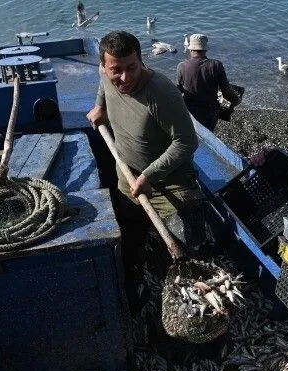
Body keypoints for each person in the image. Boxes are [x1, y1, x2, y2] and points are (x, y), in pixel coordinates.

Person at [86, 30, 209, 251]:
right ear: (104, 67)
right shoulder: (105, 73)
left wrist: (149, 176)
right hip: (126, 175)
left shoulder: (161, 93)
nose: (125, 77)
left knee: (191, 248)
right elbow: (103, 82)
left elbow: (187, 142)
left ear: (141, 61)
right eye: (116, 70)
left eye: (132, 67)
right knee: (131, 238)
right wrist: (99, 105)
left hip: (170, 185)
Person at [176, 34, 241, 131]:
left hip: (189, 111)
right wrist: (236, 101)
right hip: (209, 112)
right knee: (237, 91)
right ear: (205, 49)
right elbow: (226, 92)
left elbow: (179, 90)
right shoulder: (216, 65)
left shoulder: (181, 66)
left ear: (190, 49)